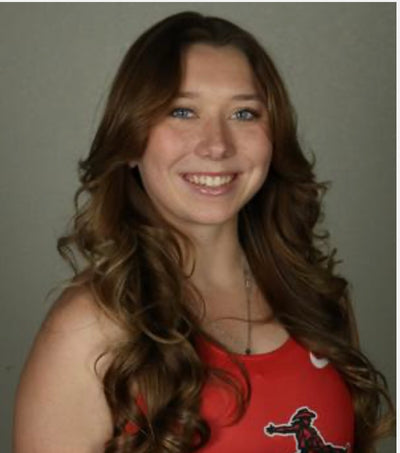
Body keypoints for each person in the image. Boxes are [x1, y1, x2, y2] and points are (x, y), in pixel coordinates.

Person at [13, 11, 394, 453]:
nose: (217, 145)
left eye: (244, 113)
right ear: (131, 140)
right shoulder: (89, 328)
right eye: (182, 111)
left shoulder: (316, 299)